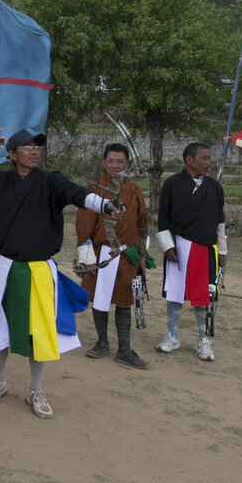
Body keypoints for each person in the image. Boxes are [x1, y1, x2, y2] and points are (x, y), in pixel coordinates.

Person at [0, 128, 123, 419]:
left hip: (40, 271)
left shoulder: (51, 181)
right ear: (11, 154)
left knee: (40, 331)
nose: (35, 151)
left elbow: (78, 194)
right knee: (2, 326)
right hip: (9, 268)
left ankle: (36, 388)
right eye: (27, 147)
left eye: (38, 147)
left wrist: (106, 205)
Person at [74, 143, 152, 368]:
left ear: (127, 164)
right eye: (111, 161)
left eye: (120, 162)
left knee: (125, 301)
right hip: (101, 254)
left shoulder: (135, 191)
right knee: (100, 300)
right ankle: (102, 343)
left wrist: (142, 255)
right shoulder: (94, 190)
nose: (115, 166)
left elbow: (142, 224)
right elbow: (84, 225)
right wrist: (85, 255)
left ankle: (124, 350)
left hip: (128, 254)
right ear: (103, 163)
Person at [154, 142, 227, 362]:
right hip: (178, 246)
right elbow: (163, 218)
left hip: (204, 249)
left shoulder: (215, 188)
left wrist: (222, 250)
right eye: (203, 158)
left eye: (209, 158)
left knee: (203, 294)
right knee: (175, 291)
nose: (207, 163)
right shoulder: (172, 184)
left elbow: (220, 222)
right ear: (189, 160)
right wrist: (167, 246)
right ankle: (173, 335)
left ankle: (203, 339)